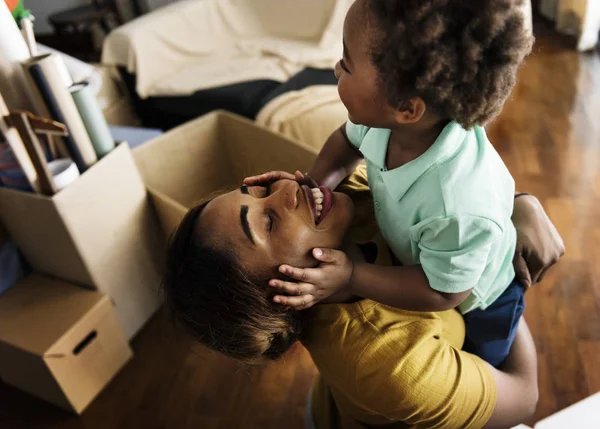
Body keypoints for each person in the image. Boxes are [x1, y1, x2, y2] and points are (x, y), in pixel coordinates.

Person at [244, 0, 536, 367]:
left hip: (482, 297)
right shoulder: (388, 122)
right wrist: (317, 184)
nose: (336, 68)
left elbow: (442, 289)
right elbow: (345, 141)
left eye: (347, 65)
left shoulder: (457, 204)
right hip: (432, 254)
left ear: (407, 108)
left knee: (481, 359)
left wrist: (352, 276)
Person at [162, 166, 564, 428]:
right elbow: (524, 396)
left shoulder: (349, 199)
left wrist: (517, 205)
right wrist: (501, 276)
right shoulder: (392, 368)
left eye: (259, 189)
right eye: (267, 220)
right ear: (283, 296)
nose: (287, 189)